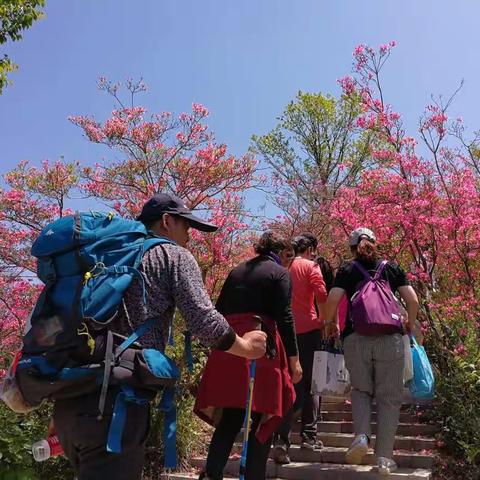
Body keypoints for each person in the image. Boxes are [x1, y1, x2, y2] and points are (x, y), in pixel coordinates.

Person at [51, 193, 267, 480]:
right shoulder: (171, 255)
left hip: (70, 400)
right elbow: (205, 323)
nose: (190, 236)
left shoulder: (104, 255)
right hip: (115, 406)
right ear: (167, 221)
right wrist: (247, 347)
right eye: (186, 227)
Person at [194, 231, 302, 480]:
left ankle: (211, 474)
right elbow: (285, 317)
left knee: (230, 417)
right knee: (262, 417)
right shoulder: (279, 273)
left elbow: (217, 310)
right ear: (281, 253)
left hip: (230, 345)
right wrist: (295, 361)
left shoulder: (236, 271)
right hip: (261, 345)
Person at [323, 227, 419, 475]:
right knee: (389, 399)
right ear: (375, 244)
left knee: (361, 390)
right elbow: (413, 300)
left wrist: (330, 323)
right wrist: (410, 322)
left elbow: (332, 300)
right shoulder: (392, 268)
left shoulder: (347, 269)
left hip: (356, 338)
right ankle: (385, 459)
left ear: (353, 248)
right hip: (390, 339)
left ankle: (362, 437)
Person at [272, 234, 328, 464]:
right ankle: (309, 436)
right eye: (313, 249)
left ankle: (281, 441)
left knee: (288, 384)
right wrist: (325, 320)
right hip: (309, 330)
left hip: (284, 333)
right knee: (312, 384)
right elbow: (322, 294)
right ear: (308, 249)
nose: (314, 254)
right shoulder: (310, 266)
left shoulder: (281, 267)